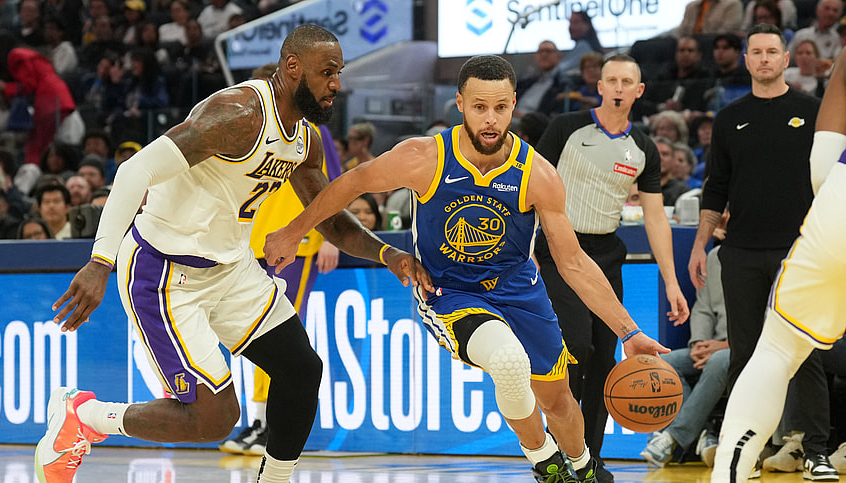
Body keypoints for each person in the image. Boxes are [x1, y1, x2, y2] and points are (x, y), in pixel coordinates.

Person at [40, 25, 430, 483]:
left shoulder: (304, 142)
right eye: (327, 73)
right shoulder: (238, 114)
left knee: (302, 370)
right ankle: (85, 416)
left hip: (232, 269)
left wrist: (388, 254)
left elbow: (330, 219)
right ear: (292, 68)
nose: (336, 85)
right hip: (164, 273)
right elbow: (134, 169)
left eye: (338, 73)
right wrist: (100, 261)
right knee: (215, 417)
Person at [263, 54, 671, 483]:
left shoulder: (538, 174)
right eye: (479, 107)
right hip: (451, 293)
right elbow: (350, 183)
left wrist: (630, 331)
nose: (490, 119)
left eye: (500, 107)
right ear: (460, 104)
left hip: (519, 289)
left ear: (514, 104)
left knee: (559, 401)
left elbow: (573, 263)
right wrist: (293, 232)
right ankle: (546, 462)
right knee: (509, 363)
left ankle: (584, 471)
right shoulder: (423, 157)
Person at [688, 23, 835, 481]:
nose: (765, 58)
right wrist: (699, 244)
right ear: (747, 60)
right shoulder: (730, 117)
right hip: (743, 253)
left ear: (786, 59)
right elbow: (716, 187)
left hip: (800, 253)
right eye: (757, 52)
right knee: (746, 353)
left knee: (804, 353)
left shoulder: (813, 112)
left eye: (773, 51)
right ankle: (743, 452)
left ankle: (815, 451)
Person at [534, 54, 690, 482]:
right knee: (577, 346)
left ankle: (590, 460)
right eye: (612, 80)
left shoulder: (644, 147)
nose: (619, 87)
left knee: (606, 359)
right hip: (557, 250)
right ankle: (562, 451)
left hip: (606, 253)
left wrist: (672, 281)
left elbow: (657, 218)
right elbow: (528, 183)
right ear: (599, 86)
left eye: (627, 82)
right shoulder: (565, 128)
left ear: (639, 91)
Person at [218, 61, 343, 457]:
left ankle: (264, 424)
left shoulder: (312, 134)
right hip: (245, 247)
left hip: (291, 248)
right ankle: (257, 421)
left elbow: (336, 188)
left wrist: (329, 238)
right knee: (250, 340)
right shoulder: (245, 134)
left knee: (273, 338)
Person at [641, 245, 729, 468]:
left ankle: (670, 439)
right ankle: (705, 435)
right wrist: (699, 342)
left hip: (748, 347)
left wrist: (727, 345)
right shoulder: (716, 256)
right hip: (711, 345)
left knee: (719, 361)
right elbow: (704, 308)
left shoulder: (769, 254)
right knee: (663, 364)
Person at [675, 0, 743, 37]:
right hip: (690, 42)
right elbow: (681, 30)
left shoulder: (732, 4)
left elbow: (728, 30)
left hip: (713, 42)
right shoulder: (691, 6)